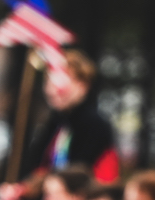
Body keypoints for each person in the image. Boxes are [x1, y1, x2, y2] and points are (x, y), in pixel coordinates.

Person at [21, 50, 120, 183]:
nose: (53, 89)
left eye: (62, 81)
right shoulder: (56, 122)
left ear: (82, 86)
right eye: (49, 81)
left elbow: (79, 172)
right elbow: (37, 164)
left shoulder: (94, 124)